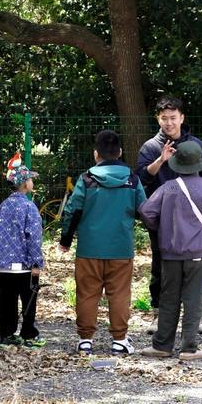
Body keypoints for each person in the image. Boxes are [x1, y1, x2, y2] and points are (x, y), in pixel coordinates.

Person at [136, 95, 202, 334]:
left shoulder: (196, 145)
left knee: (195, 267)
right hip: (163, 220)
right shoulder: (151, 147)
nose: (169, 123)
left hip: (194, 218)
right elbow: (141, 178)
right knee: (160, 267)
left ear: (182, 118)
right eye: (164, 118)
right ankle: (159, 314)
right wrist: (161, 161)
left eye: (173, 118)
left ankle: (192, 318)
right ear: (157, 119)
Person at [139, 141, 202, 360]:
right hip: (199, 251)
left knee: (168, 297)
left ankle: (162, 345)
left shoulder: (167, 187)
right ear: (199, 163)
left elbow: (146, 212)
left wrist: (162, 229)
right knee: (194, 299)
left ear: (177, 163)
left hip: (170, 252)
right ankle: (188, 348)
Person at [59, 130, 146, 355]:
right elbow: (145, 210)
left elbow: (73, 210)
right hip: (121, 248)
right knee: (119, 294)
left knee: (87, 293)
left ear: (96, 153)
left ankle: (85, 340)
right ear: (119, 152)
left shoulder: (86, 179)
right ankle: (119, 340)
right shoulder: (132, 179)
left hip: (89, 248)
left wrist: (66, 240)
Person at [0, 154, 46, 347]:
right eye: (30, 179)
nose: (32, 181)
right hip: (24, 265)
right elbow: (34, 236)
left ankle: (6, 333)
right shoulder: (29, 207)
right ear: (24, 185)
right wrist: (36, 262)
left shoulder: (3, 206)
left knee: (6, 301)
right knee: (28, 300)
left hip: (4, 265)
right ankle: (28, 333)